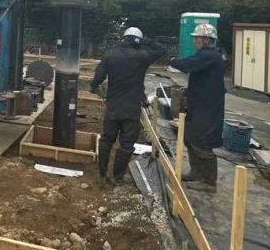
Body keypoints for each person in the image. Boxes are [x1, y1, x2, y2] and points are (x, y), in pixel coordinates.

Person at [89, 26, 166, 185]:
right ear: (137, 41)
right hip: (132, 108)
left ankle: (102, 175)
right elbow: (161, 50)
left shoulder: (110, 55)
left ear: (123, 39)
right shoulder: (143, 56)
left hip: (113, 107)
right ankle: (117, 177)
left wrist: (98, 90)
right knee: (126, 144)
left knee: (106, 140)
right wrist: (144, 41)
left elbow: (96, 81)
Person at [169, 23, 226, 192]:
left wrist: (173, 61)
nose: (195, 41)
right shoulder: (207, 56)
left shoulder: (209, 56)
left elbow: (186, 65)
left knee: (203, 142)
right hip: (199, 105)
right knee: (190, 138)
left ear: (207, 40)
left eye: (197, 38)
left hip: (207, 108)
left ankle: (209, 182)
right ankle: (196, 172)